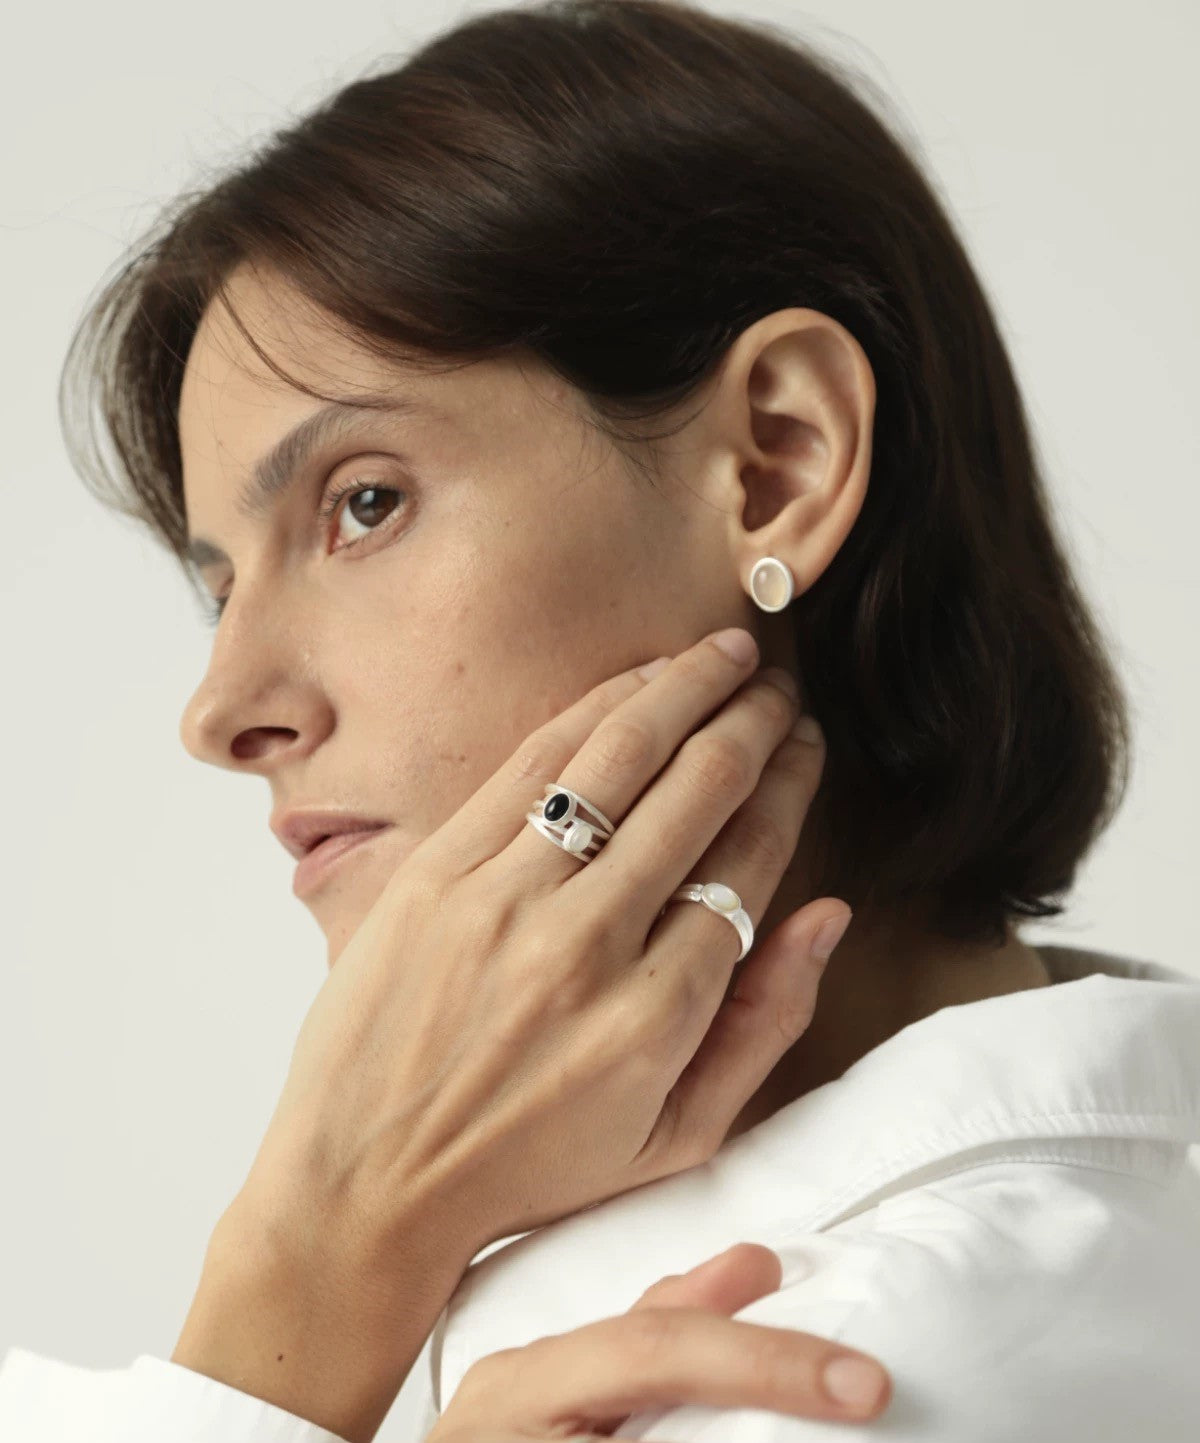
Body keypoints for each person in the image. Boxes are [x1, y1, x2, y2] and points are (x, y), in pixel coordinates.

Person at [3, 1, 1197, 1440]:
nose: (223, 711)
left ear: (777, 466)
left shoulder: (877, 1363)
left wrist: (299, 1271)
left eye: (363, 505)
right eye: (221, 590)